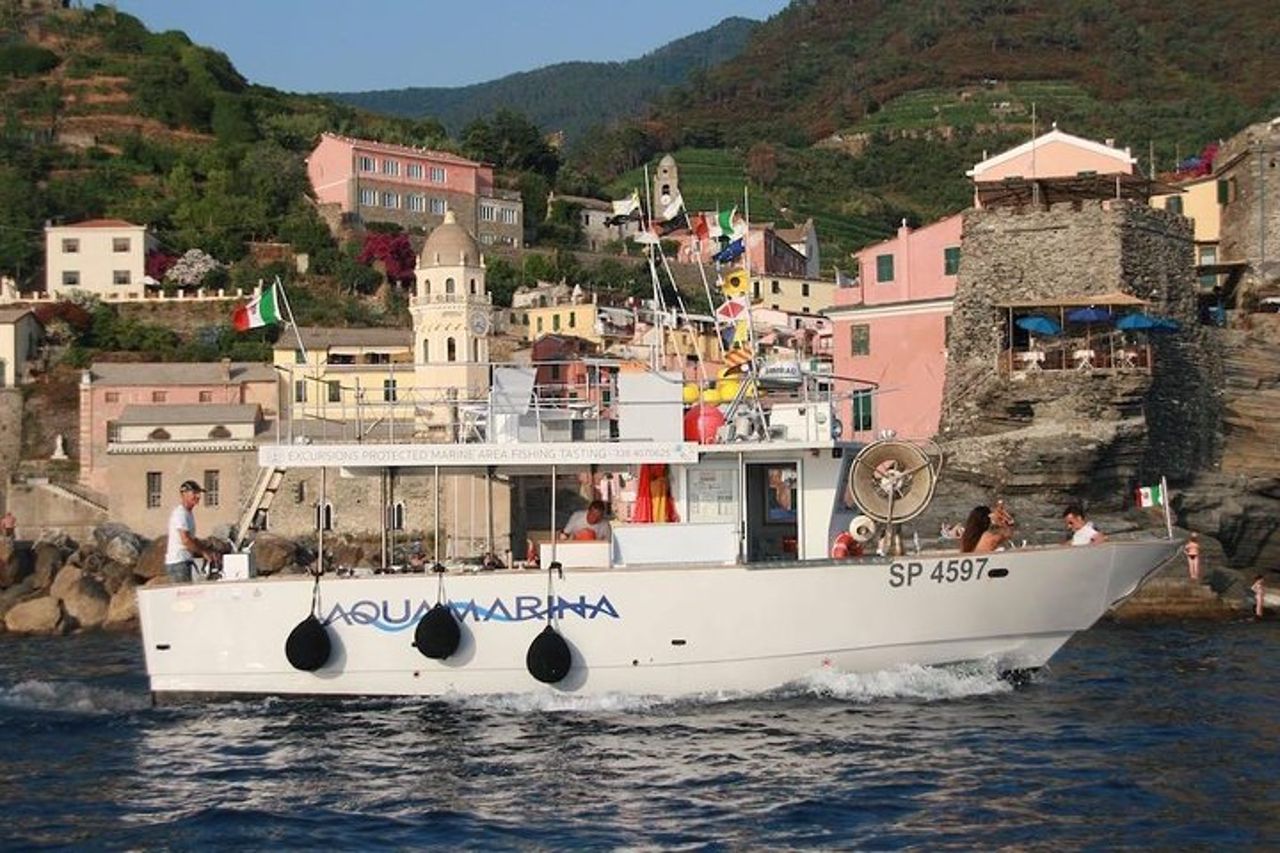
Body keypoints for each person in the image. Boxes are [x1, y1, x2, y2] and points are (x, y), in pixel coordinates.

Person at [165, 480, 220, 583]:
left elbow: (192, 539)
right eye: (194, 493)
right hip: (178, 563)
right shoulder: (180, 514)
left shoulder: (188, 513)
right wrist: (203, 552)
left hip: (184, 562)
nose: (198, 496)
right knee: (184, 597)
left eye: (199, 494)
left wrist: (207, 549)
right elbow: (185, 540)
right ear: (184, 494)